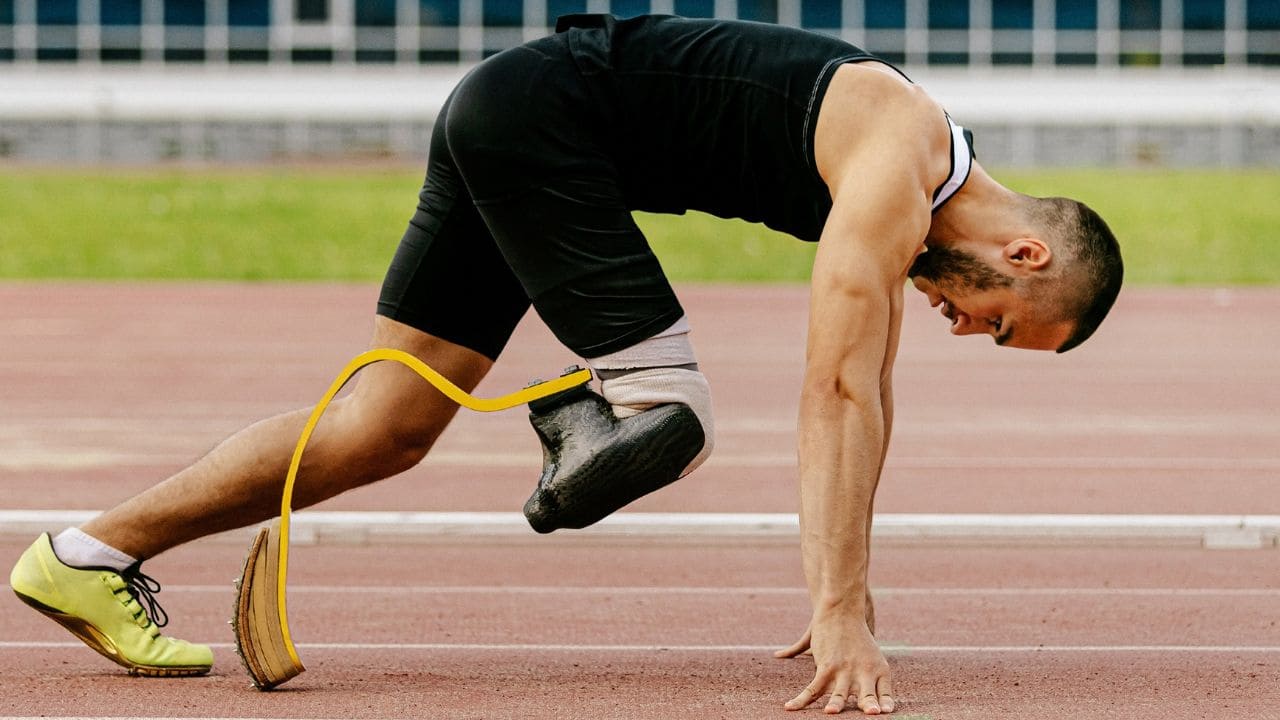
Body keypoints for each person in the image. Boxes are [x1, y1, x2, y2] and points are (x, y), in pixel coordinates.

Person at [9, 14, 1122, 715]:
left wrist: (851, 593)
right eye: (998, 323)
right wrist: (836, 612)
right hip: (543, 124)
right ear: (1021, 254)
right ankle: (587, 418)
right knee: (667, 409)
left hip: (519, 119)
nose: (962, 332)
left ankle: (86, 552)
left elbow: (866, 390)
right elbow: (834, 386)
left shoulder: (906, 180)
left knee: (383, 427)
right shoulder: (899, 151)